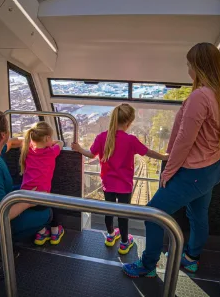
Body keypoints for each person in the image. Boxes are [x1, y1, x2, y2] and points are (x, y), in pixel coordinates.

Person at [122, 43, 220, 278]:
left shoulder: (200, 96)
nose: (188, 69)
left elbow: (184, 140)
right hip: (212, 168)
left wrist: (168, 171)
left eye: (189, 64)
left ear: (198, 66)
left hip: (192, 172)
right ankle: (191, 258)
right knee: (197, 214)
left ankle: (147, 265)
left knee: (153, 214)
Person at [71, 103, 168, 254]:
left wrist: (78, 149)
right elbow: (148, 152)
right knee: (123, 215)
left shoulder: (102, 137)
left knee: (108, 211)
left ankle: (110, 236)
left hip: (107, 184)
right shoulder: (131, 140)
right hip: (124, 186)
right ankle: (124, 242)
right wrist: (163, 156)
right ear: (129, 123)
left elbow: (90, 154)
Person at [0, 111, 52, 260]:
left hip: (1, 199)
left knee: (26, 190)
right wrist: (30, 202)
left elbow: (11, 142)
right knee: (46, 213)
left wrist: (35, 143)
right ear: (2, 135)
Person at [17, 121, 66, 245]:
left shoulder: (27, 149)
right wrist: (53, 143)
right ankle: (55, 232)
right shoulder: (50, 152)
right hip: (41, 197)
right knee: (54, 202)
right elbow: (61, 143)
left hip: (24, 195)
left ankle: (42, 232)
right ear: (47, 138)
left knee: (34, 212)